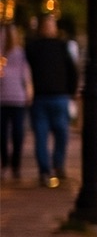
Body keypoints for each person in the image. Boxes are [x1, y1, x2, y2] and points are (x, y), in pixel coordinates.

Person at [24, 14, 77, 188]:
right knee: (41, 135)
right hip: (40, 98)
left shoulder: (62, 46)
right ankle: (45, 170)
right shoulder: (33, 47)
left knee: (62, 132)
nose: (48, 28)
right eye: (46, 25)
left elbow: (72, 70)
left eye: (51, 24)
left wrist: (71, 91)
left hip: (59, 96)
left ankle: (58, 165)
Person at [0, 24, 29, 182]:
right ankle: (5, 163)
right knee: (3, 135)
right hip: (2, 99)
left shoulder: (20, 53)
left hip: (17, 98)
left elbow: (25, 73)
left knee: (18, 133)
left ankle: (15, 165)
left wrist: (29, 90)